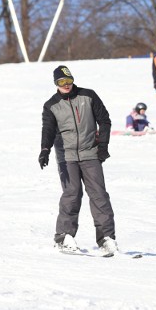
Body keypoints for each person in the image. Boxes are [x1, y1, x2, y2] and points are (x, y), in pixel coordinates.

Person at [39, 65, 118, 255]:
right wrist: (44, 149)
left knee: (99, 194)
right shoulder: (51, 105)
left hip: (91, 153)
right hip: (67, 156)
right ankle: (64, 236)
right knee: (72, 193)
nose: (66, 85)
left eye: (69, 81)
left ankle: (106, 238)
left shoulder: (88, 96)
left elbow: (104, 120)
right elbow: (48, 129)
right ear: (56, 84)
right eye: (61, 82)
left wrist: (103, 145)